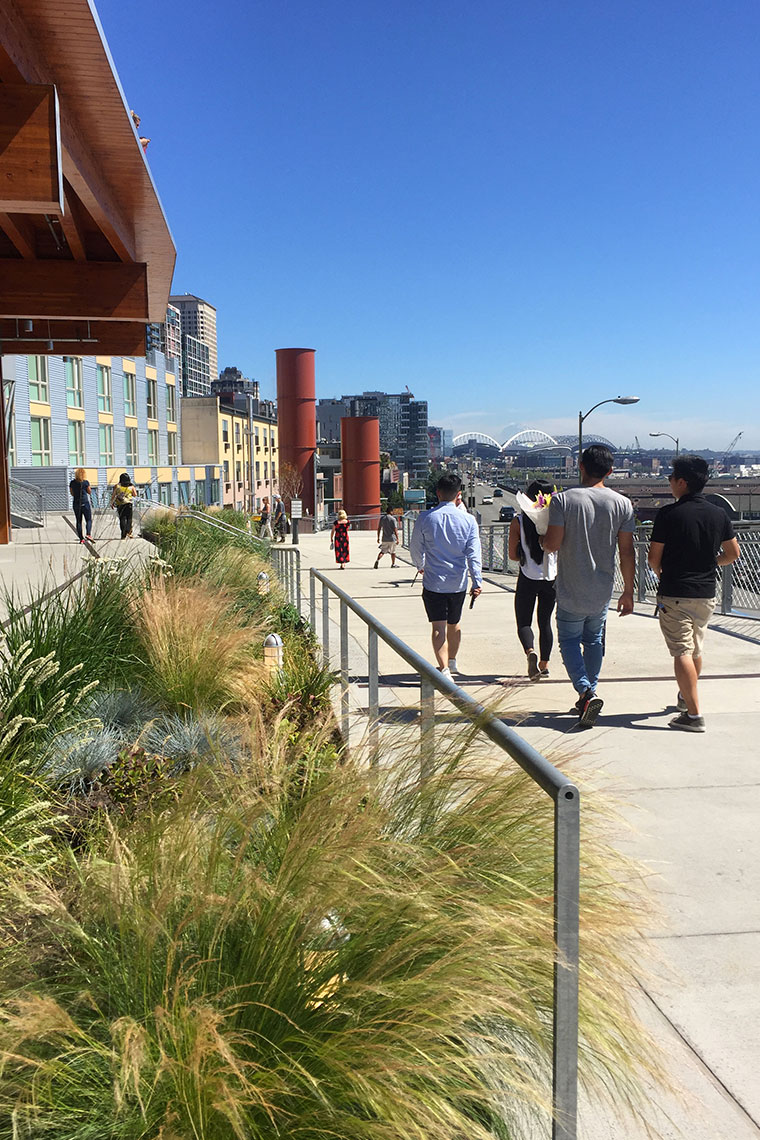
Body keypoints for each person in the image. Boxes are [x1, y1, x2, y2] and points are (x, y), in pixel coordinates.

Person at [543, 445, 635, 727]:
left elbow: (552, 544)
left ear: (580, 466)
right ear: (610, 471)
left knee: (569, 641)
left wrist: (540, 541)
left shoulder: (562, 500)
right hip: (602, 589)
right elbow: (627, 551)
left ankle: (585, 691)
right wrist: (629, 592)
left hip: (571, 587)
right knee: (593, 640)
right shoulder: (622, 504)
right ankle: (589, 694)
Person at [647, 454, 740, 732]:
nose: (669, 482)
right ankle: (686, 698)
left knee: (681, 652)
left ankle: (694, 714)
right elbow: (733, 553)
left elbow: (653, 558)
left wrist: (661, 570)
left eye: (671, 477)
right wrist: (712, 562)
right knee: (695, 649)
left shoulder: (668, 514)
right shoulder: (718, 513)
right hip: (706, 592)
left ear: (682, 482)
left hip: (675, 591)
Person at [409, 472, 482, 678]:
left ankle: (444, 669)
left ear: (438, 492)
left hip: (433, 581)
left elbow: (416, 547)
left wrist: (420, 565)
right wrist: (477, 581)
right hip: (457, 582)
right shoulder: (469, 521)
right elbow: (474, 554)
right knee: (455, 623)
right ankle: (452, 661)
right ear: (458, 494)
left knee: (438, 626)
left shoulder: (425, 518)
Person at [508, 481, 557, 679]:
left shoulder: (518, 522)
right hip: (551, 577)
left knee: (524, 622)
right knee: (545, 621)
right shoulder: (556, 521)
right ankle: (544, 665)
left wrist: (524, 555)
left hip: (528, 576)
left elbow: (512, 555)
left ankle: (530, 651)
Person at [69, 467, 93, 544]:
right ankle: (88, 534)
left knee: (79, 521)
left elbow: (72, 493)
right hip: (85, 503)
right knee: (88, 519)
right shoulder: (86, 482)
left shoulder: (72, 483)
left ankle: (81, 539)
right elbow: (89, 492)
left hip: (76, 503)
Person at [110, 472, 136, 539]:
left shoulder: (117, 486)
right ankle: (128, 531)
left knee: (122, 519)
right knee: (129, 518)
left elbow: (113, 495)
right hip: (129, 504)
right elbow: (135, 494)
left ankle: (123, 534)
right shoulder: (131, 487)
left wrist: (111, 503)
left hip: (120, 505)